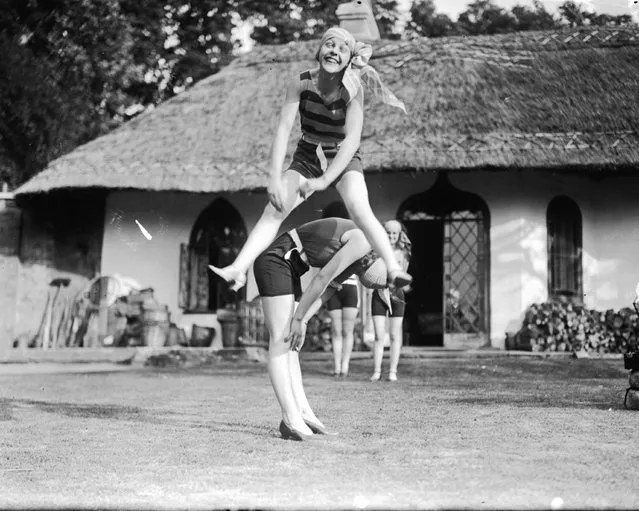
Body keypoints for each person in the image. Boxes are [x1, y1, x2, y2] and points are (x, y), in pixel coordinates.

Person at [209, 26, 411, 293]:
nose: (334, 52)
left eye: (342, 49)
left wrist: (325, 180)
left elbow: (351, 141)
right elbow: (283, 130)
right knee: (275, 209)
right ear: (319, 50)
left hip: (342, 156)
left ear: (349, 60)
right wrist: (273, 178)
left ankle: (393, 268)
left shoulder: (353, 90)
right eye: (330, 45)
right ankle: (238, 269)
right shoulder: (301, 82)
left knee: (359, 208)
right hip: (308, 154)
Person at [254, 217, 392, 441]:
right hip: (275, 262)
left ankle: (304, 414)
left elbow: (328, 288)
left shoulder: (361, 259)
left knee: (292, 346)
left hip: (290, 269)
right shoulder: (362, 242)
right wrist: (298, 318)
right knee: (281, 340)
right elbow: (322, 277)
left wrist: (304, 320)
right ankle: (290, 418)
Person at [370, 220, 412, 382]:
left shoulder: (404, 253)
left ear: (399, 234)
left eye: (394, 233)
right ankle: (377, 370)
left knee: (395, 334)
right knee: (379, 335)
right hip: (379, 293)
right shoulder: (376, 250)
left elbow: (403, 274)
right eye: (388, 232)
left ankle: (392, 371)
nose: (391, 236)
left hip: (397, 295)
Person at [325, 273, 359, 377]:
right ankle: (337, 367)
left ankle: (345, 366)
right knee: (336, 330)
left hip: (351, 286)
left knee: (347, 330)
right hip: (332, 286)